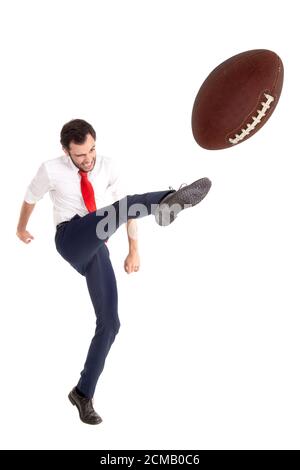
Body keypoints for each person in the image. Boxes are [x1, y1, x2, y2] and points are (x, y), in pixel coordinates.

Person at [16, 119, 212, 425]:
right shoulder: (50, 169)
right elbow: (31, 197)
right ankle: (170, 198)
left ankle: (82, 393)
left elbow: (126, 210)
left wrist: (134, 249)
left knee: (110, 323)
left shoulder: (108, 166)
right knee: (123, 208)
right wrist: (20, 227)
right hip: (70, 237)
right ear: (66, 151)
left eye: (92, 149)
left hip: (97, 245)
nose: (88, 158)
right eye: (80, 154)